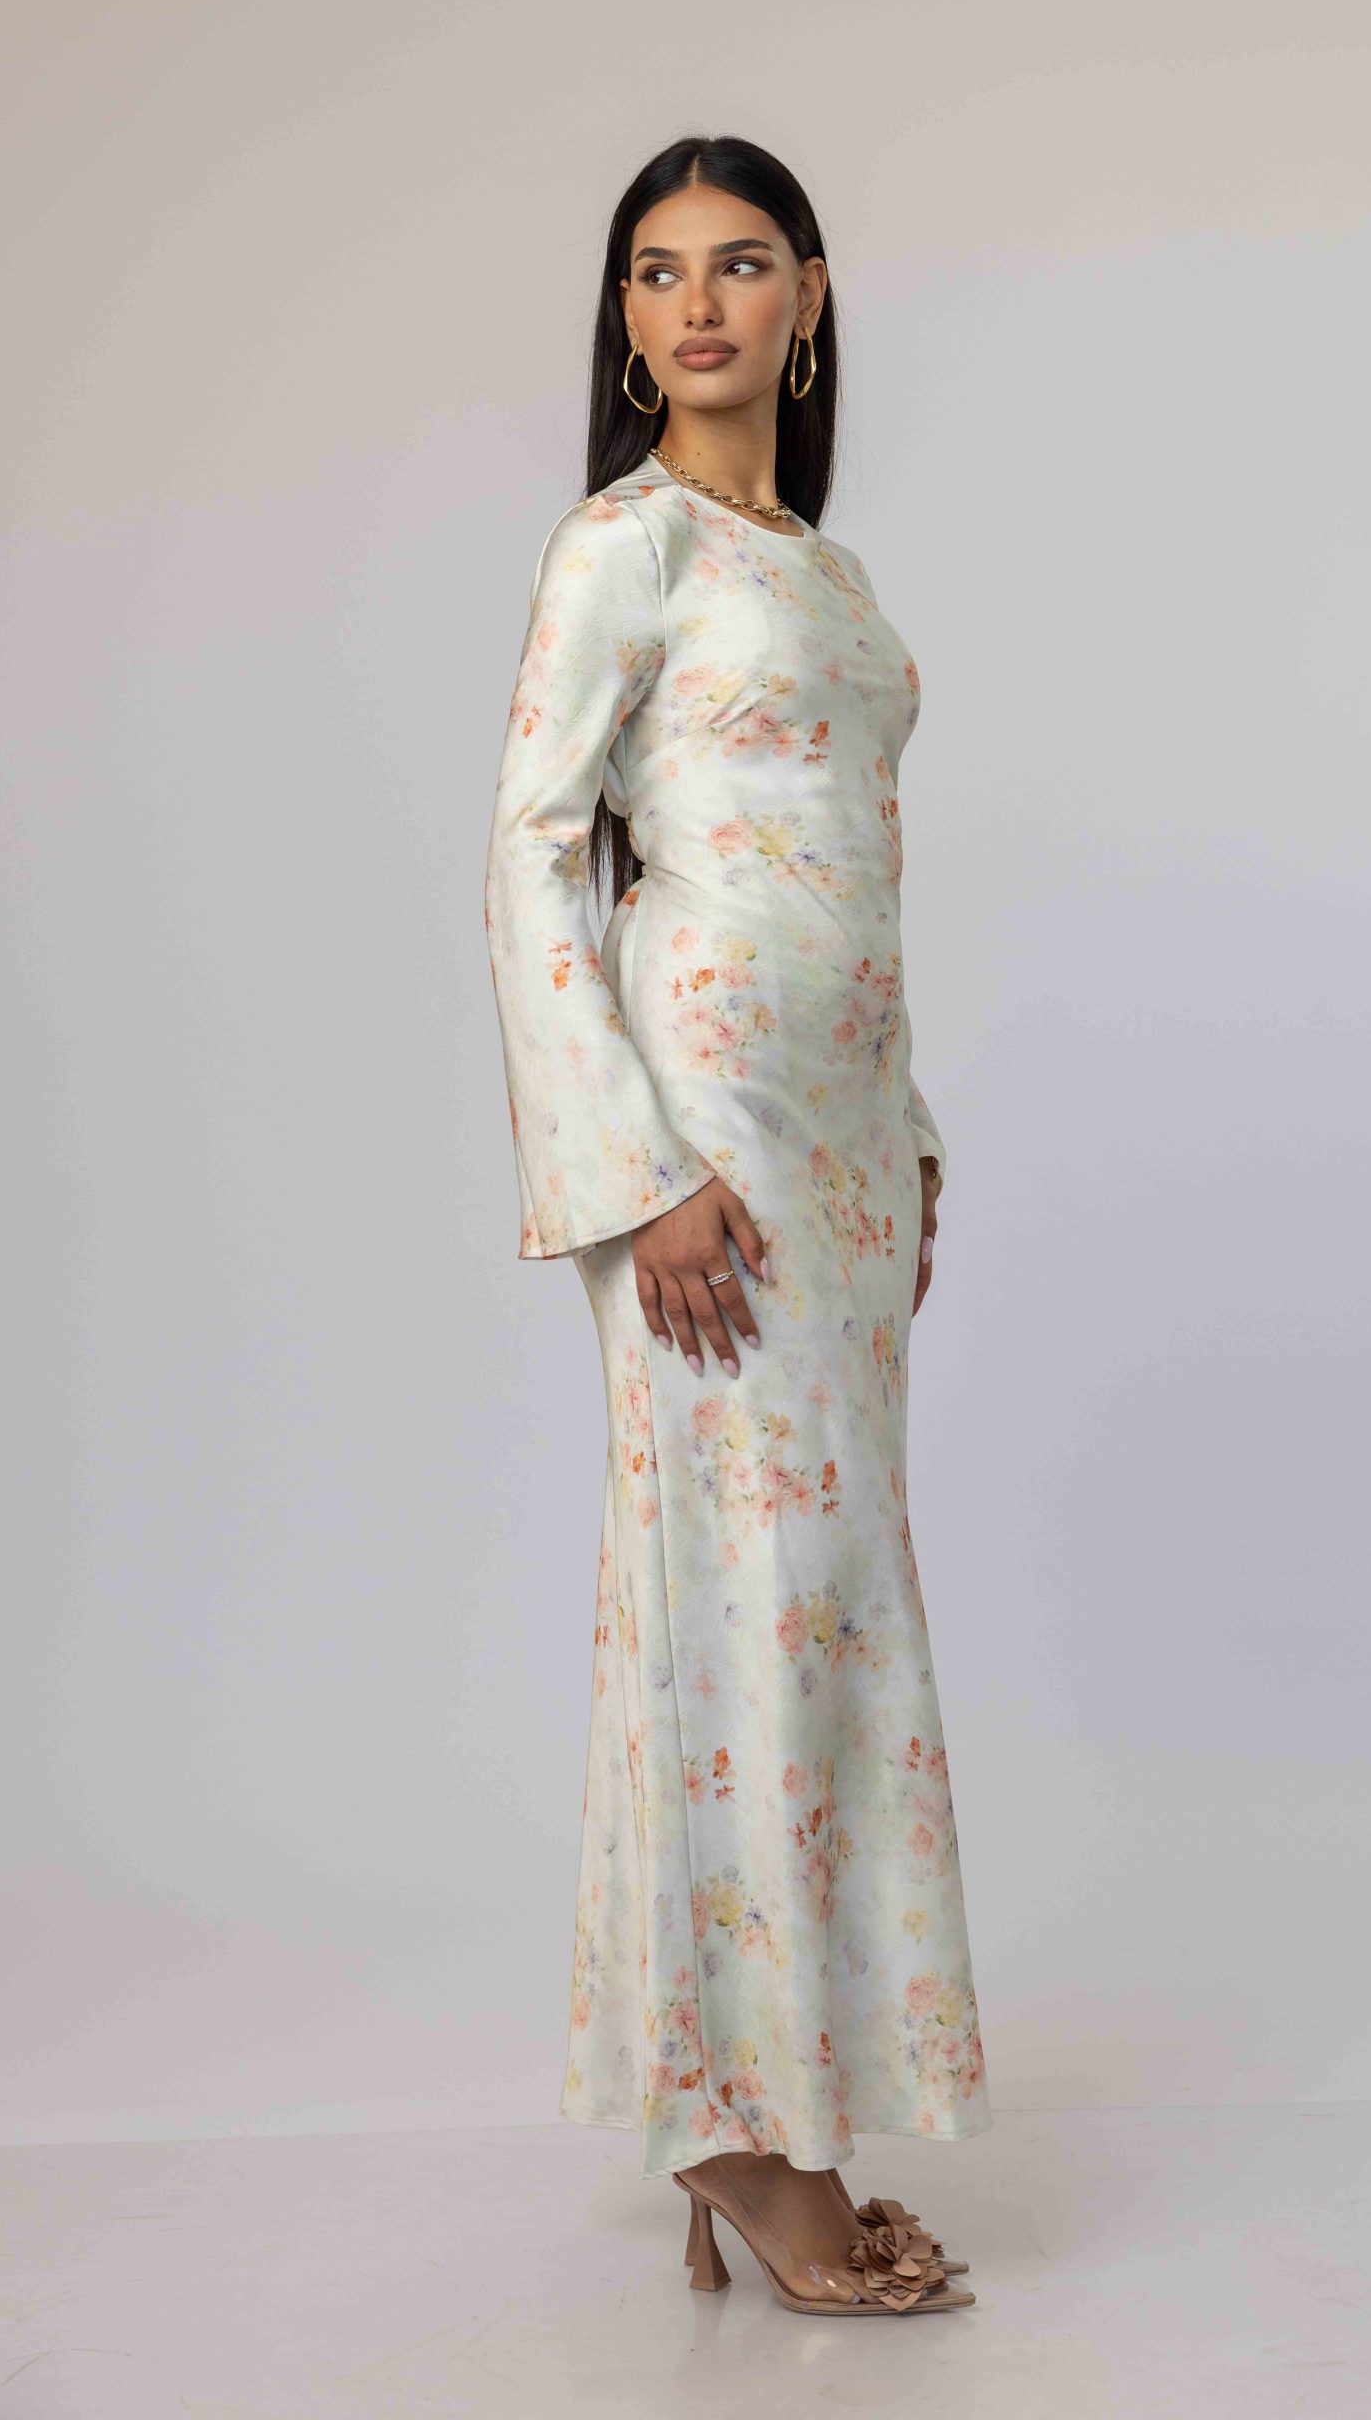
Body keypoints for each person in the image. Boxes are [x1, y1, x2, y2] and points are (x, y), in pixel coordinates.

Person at [484, 134, 990, 2317]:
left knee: (829, 1614)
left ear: (809, 301)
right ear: (624, 324)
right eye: (657, 271)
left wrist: (912, 1135)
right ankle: (730, 2125)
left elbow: (847, 876)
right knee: (735, 1611)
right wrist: (635, 1171)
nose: (697, 303)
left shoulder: (827, 574)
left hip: (836, 1155)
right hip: (695, 1146)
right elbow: (530, 851)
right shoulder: (624, 543)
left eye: (741, 262)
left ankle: (792, 2111)